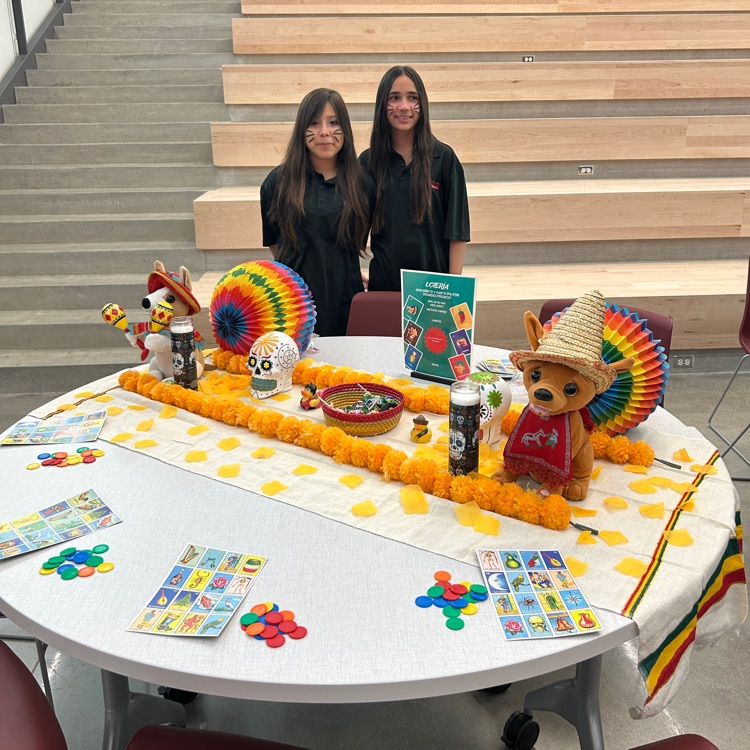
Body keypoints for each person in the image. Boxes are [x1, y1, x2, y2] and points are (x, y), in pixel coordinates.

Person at [261, 88, 375, 337]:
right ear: (302, 130)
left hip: (346, 304)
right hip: (293, 306)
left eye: (333, 122)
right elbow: (274, 244)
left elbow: (358, 239)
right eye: (314, 123)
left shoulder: (363, 183)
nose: (324, 132)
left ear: (345, 128)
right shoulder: (276, 182)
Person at [359, 65, 470, 292]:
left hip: (433, 291)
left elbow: (457, 234)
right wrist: (355, 273)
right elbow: (351, 232)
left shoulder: (444, 158)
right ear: (382, 104)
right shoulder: (367, 162)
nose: (404, 107)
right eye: (394, 98)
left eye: (412, 97)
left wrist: (452, 288)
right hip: (384, 288)